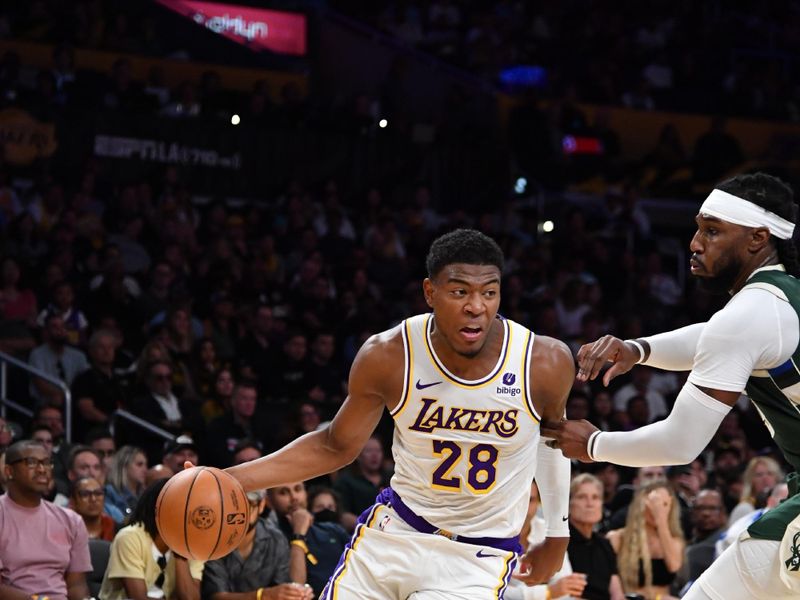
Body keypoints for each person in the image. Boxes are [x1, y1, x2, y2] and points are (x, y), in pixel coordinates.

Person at [220, 229, 574, 597]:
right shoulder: (389, 355)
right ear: (429, 293)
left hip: (475, 555)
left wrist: (557, 533)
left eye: (489, 292)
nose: (476, 306)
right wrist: (228, 479)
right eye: (459, 292)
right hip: (395, 532)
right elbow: (334, 445)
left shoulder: (543, 362)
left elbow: (553, 445)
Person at [546, 172, 800, 599]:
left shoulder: (749, 315)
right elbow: (712, 336)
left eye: (713, 231)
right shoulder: (779, 296)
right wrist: (637, 349)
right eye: (698, 228)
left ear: (757, 238)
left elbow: (680, 445)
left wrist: (594, 445)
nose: (695, 243)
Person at [0, 440, 92, 600]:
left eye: (47, 463)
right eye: (32, 463)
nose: (42, 469)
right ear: (9, 471)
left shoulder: (71, 520)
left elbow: (76, 585)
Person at [99, 478, 204, 600]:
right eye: (181, 507)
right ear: (158, 509)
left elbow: (190, 598)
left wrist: (179, 548)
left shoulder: (193, 545)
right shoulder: (129, 538)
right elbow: (138, 597)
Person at [201, 488, 313, 600]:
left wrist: (295, 593)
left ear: (261, 505)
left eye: (248, 504)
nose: (241, 512)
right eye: (235, 505)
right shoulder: (215, 540)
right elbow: (215, 596)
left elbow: (287, 585)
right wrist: (262, 595)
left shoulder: (275, 539)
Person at [267, 480, 349, 598]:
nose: (294, 497)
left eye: (298, 489)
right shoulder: (270, 539)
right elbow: (295, 588)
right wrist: (298, 534)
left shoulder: (333, 530)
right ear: (269, 501)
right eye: (283, 492)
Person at [606, 481, 685, 600]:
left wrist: (661, 521)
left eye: (664, 504)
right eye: (654, 504)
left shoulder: (675, 540)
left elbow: (674, 565)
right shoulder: (618, 538)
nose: (658, 509)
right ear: (641, 504)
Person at [566, 474, 625, 600]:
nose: (590, 504)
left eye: (595, 497)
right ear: (569, 503)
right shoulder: (561, 543)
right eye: (582, 497)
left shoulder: (604, 544)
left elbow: (617, 594)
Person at [333, 435, 392, 531]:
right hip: (361, 534)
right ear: (358, 456)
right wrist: (371, 527)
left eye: (378, 451)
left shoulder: (392, 477)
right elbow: (344, 516)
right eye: (369, 451)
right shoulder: (346, 481)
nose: (375, 455)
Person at [104, 445, 148, 523]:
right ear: (124, 466)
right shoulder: (109, 492)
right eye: (139, 464)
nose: (145, 470)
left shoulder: (144, 494)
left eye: (145, 465)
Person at [70, 476, 116, 541]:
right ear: (73, 501)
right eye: (85, 494)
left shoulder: (116, 529)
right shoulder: (66, 530)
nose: (93, 499)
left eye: (98, 493)